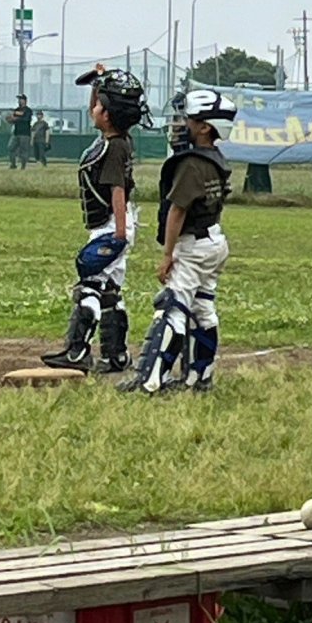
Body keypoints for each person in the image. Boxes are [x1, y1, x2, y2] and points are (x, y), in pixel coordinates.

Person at [119, 88, 237, 394]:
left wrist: (167, 254)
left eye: (189, 120)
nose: (181, 125)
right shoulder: (215, 158)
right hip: (213, 240)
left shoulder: (191, 163)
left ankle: (150, 380)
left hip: (193, 245)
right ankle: (199, 376)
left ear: (205, 127)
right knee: (202, 309)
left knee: (173, 307)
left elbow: (177, 211)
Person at [41, 66, 151, 374]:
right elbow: (97, 110)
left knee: (89, 285)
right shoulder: (116, 138)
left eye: (100, 105)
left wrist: (118, 233)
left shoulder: (113, 148)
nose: (94, 109)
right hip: (116, 222)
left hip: (111, 223)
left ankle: (77, 352)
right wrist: (97, 84)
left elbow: (117, 189)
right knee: (110, 290)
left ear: (109, 115)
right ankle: (117, 356)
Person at [6, 94, 33, 169]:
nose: (19, 101)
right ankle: (13, 164)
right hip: (16, 132)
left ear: (25, 100)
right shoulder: (16, 110)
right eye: (19, 99)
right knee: (11, 147)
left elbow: (26, 119)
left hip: (25, 133)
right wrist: (10, 120)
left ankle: (23, 167)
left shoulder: (28, 110)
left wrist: (16, 119)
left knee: (23, 151)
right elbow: (13, 119)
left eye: (21, 99)